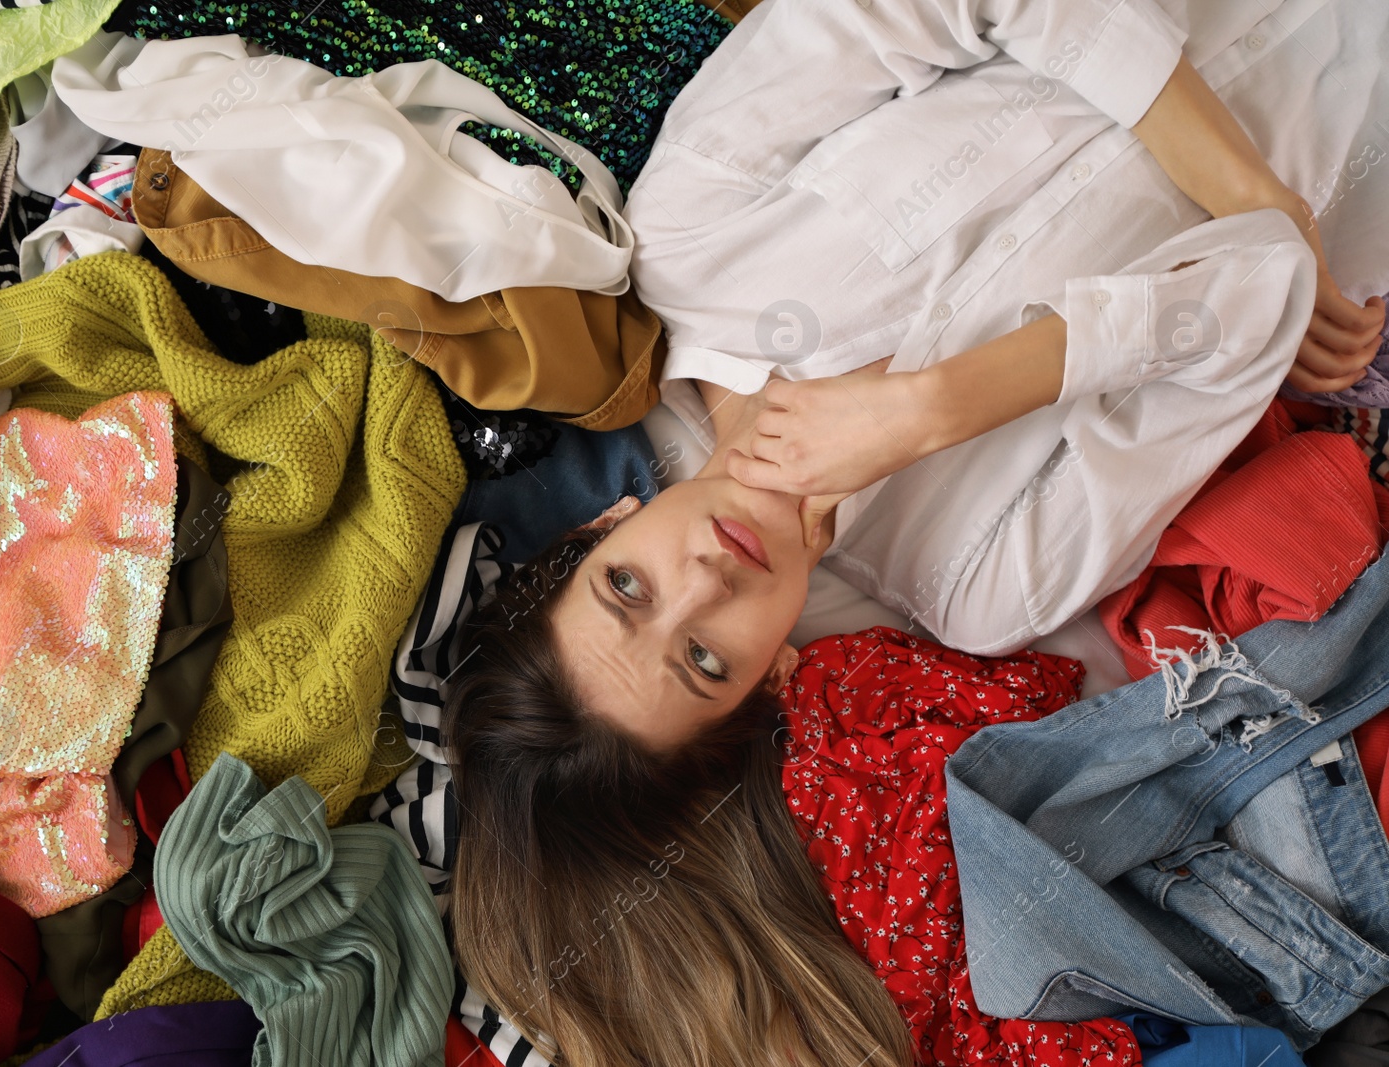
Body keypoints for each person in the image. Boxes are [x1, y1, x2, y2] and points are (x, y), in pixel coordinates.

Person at [444, 1, 1389, 1065]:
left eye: (628, 585)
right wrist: (934, 408)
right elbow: (1263, 288)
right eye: (702, 659)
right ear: (771, 682)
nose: (704, 578)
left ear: (602, 521)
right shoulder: (984, 585)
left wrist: (1247, 190)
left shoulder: (690, 241)